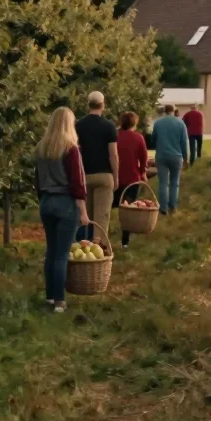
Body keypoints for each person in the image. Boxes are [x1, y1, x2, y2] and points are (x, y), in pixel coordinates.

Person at [34, 107, 90, 313]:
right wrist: (83, 211)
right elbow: (77, 182)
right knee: (62, 254)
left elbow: (37, 180)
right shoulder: (70, 148)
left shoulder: (42, 148)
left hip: (47, 201)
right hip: (65, 202)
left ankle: (50, 296)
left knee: (51, 251)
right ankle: (60, 301)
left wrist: (42, 200)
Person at [75, 91, 119, 243]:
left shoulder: (78, 126)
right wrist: (116, 176)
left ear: (88, 105)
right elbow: (113, 154)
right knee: (102, 215)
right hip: (104, 175)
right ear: (103, 105)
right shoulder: (109, 126)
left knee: (85, 216)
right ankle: (99, 246)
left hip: (84, 176)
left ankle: (83, 246)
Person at [115, 111, 149, 249]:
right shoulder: (138, 138)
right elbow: (144, 158)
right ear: (134, 123)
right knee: (128, 208)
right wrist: (143, 173)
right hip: (132, 178)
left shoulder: (115, 137)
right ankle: (125, 241)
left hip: (116, 177)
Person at [151, 105, 190, 215]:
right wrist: (186, 158)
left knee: (163, 182)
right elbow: (184, 143)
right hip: (176, 156)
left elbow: (153, 139)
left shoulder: (158, 123)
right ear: (174, 111)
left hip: (161, 156)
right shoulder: (180, 123)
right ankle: (173, 207)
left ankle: (163, 208)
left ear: (165, 111)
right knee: (174, 182)